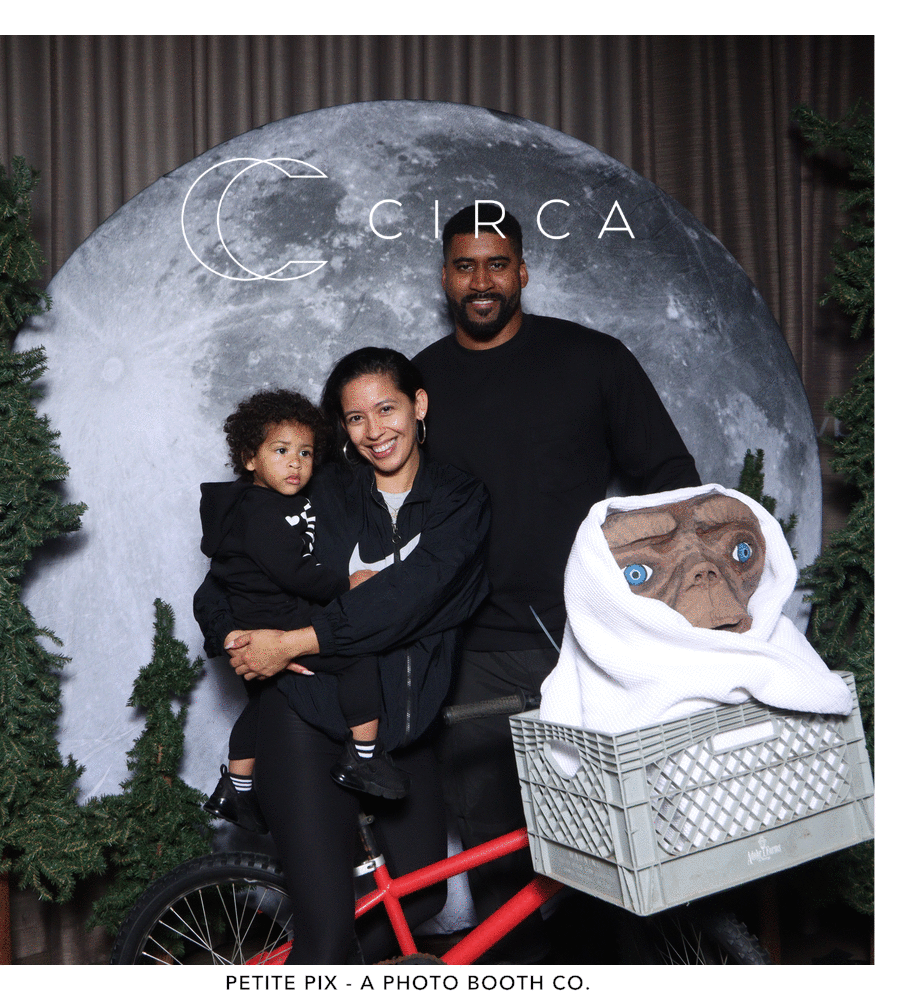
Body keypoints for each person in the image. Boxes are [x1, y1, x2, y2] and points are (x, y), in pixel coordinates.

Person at [411, 203, 702, 961]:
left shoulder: (593, 360)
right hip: (470, 651)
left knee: (612, 837)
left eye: (497, 264)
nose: (482, 281)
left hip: (588, 641)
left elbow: (672, 481)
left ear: (523, 271)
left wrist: (666, 602)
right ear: (445, 278)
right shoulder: (419, 385)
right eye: (465, 266)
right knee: (497, 848)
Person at [193, 348, 490, 963]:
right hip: (305, 718)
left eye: (386, 409)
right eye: (356, 418)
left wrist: (293, 641)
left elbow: (406, 602)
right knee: (326, 936)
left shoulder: (460, 500)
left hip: (405, 730)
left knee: (422, 899)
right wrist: (236, 639)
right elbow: (221, 582)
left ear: (419, 406)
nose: (374, 430)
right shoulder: (319, 489)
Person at [199, 389, 410, 835]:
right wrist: (346, 585)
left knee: (264, 701)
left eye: (305, 453)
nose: (295, 463)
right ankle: (364, 758)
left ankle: (236, 788)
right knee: (356, 656)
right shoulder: (258, 512)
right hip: (276, 619)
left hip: (262, 620)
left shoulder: (273, 503)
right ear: (249, 458)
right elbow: (293, 572)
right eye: (281, 451)